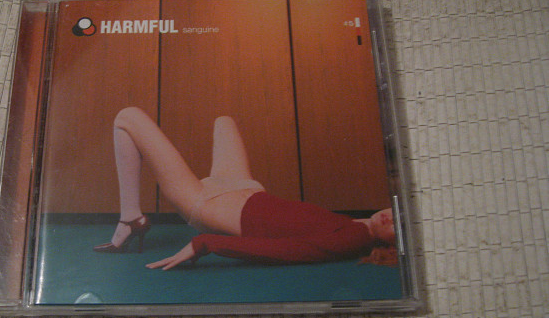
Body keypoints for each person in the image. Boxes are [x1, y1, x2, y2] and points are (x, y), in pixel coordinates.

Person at [94, 107, 397, 270]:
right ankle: (131, 220)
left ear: (394, 247)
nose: (390, 218)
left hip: (206, 203)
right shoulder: (358, 224)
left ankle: (130, 219)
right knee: (224, 120)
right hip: (243, 189)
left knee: (127, 117)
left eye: (398, 228)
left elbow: (286, 251)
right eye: (398, 213)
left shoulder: (356, 238)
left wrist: (206, 243)